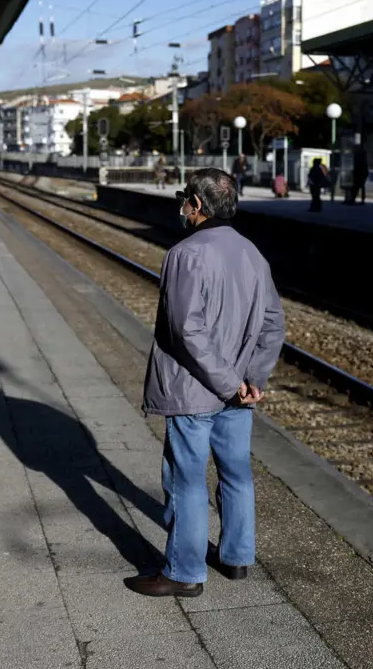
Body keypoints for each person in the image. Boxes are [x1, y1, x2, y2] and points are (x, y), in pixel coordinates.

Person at [125, 169, 285, 599]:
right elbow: (273, 324)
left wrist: (230, 381)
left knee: (186, 481)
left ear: (196, 204)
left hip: (194, 389)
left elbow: (186, 330)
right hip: (239, 392)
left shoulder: (186, 253)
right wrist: (252, 378)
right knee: (236, 473)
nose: (182, 207)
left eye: (184, 199)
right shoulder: (253, 254)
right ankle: (236, 558)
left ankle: (184, 572)